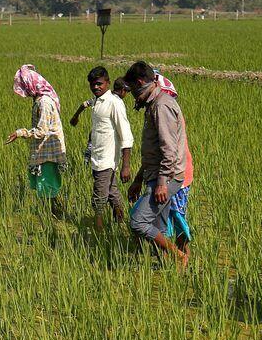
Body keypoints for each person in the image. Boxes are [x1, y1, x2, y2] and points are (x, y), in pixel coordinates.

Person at [123, 61, 193, 268]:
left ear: (140, 82)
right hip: (158, 174)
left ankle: (177, 256)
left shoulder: (162, 106)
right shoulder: (153, 105)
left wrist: (162, 182)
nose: (133, 96)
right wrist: (138, 180)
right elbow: (153, 152)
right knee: (159, 226)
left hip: (167, 177)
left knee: (138, 221)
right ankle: (167, 265)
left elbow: (168, 149)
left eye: (133, 90)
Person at [69, 66, 133, 231]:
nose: (96, 87)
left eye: (99, 84)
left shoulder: (114, 103)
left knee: (99, 196)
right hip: (97, 156)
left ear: (108, 83)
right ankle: (121, 223)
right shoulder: (97, 101)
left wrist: (126, 166)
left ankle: (98, 232)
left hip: (107, 158)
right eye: (92, 84)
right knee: (112, 191)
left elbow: (126, 134)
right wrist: (75, 117)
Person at [7, 65, 67, 211]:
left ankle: (50, 213)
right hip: (44, 150)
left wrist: (21, 133)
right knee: (45, 184)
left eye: (23, 86)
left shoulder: (44, 102)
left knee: (47, 184)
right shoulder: (39, 100)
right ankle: (52, 211)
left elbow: (41, 131)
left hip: (49, 151)